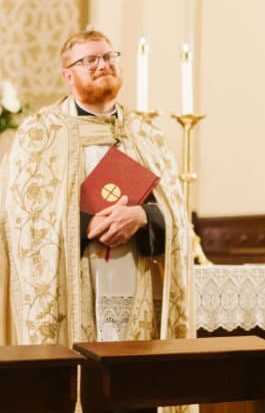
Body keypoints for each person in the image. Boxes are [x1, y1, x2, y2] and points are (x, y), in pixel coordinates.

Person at [0, 29, 192, 349]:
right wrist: (89, 225)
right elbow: (23, 220)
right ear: (68, 75)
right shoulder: (41, 133)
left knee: (132, 387)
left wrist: (141, 217)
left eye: (108, 57)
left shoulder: (145, 135)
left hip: (138, 282)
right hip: (73, 286)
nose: (102, 65)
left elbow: (176, 214)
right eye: (89, 60)